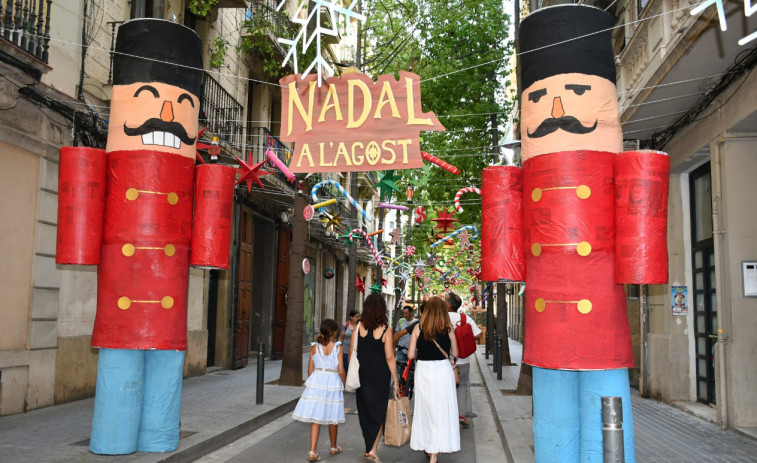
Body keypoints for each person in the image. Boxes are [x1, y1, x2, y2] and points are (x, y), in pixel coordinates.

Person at [408, 296, 460, 463]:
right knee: (441, 410)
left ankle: (429, 447)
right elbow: (456, 354)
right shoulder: (448, 328)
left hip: (423, 370)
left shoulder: (418, 328)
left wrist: (420, 350)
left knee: (425, 409)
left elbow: (410, 355)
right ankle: (435, 451)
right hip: (442, 372)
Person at [350, 293, 400, 463]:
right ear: (382, 309)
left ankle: (368, 447)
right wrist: (396, 380)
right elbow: (389, 357)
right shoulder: (386, 329)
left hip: (362, 374)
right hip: (380, 375)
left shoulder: (358, 327)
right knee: (378, 412)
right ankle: (372, 449)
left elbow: (351, 352)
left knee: (364, 410)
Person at [292, 319, 346, 462]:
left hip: (317, 380)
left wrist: (315, 381)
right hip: (333, 380)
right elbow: (341, 370)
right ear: (334, 332)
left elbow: (310, 370)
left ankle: (312, 451)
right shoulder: (337, 348)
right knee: (332, 414)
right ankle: (334, 446)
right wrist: (345, 383)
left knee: (316, 417)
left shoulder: (315, 348)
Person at [445, 292, 482, 428]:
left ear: (448, 305)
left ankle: (447, 414)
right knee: (462, 386)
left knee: (446, 387)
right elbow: (478, 334)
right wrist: (463, 339)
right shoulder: (465, 318)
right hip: (464, 359)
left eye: (445, 301)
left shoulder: (441, 318)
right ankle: (461, 413)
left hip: (446, 361)